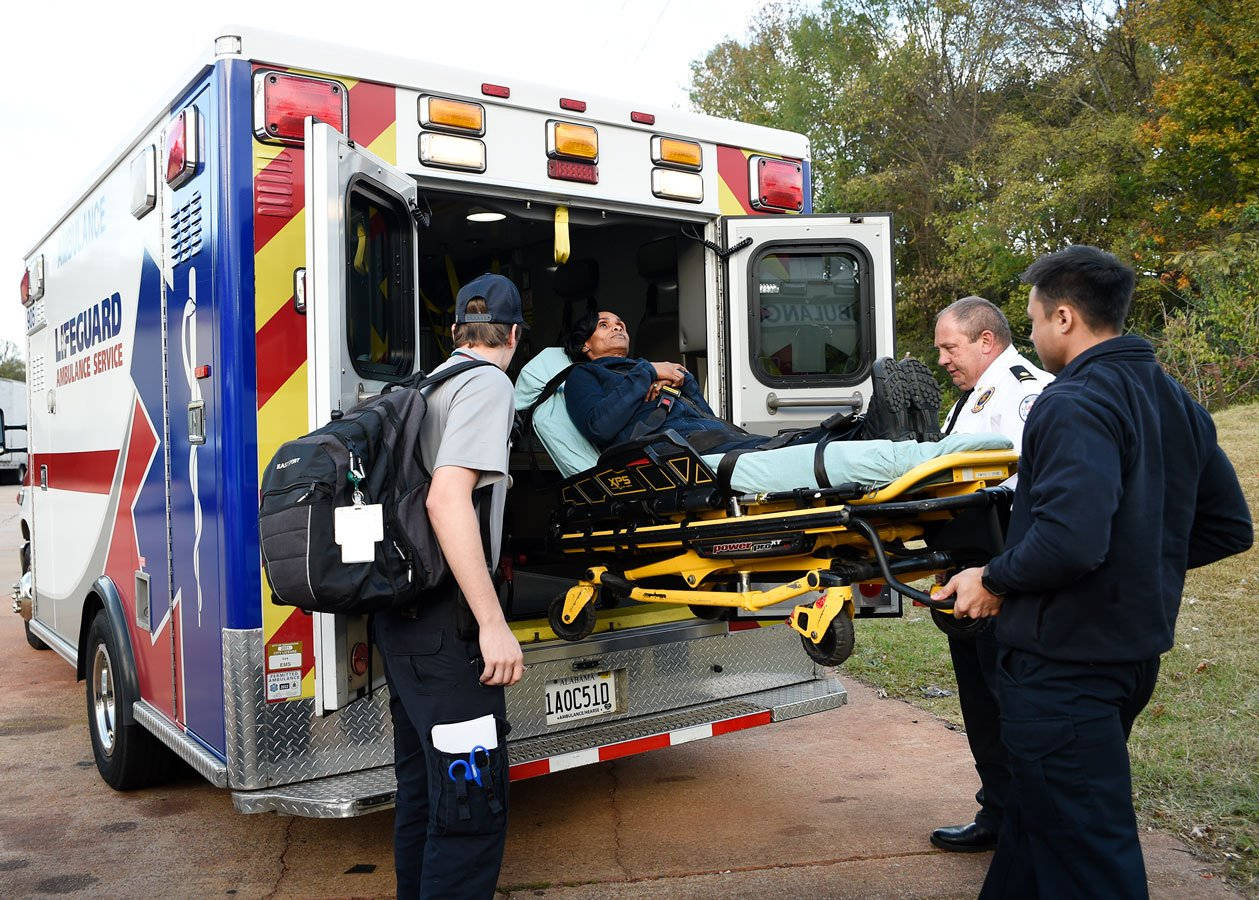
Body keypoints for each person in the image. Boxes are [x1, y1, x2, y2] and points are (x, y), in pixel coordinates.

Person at [936, 246, 1252, 898]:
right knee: (1036, 824)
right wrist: (1135, 559)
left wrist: (991, 579)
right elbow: (1226, 527)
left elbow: (1069, 541)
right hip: (1125, 659)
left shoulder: (1071, 400)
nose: (1028, 336)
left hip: (1063, 671)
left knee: (1089, 851)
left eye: (1029, 322)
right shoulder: (1176, 401)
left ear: (1062, 318)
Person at [373, 273, 527, 899]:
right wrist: (491, 621)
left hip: (402, 617)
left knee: (426, 790)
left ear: (458, 329)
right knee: (470, 803)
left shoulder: (425, 384)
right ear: (513, 335)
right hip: (446, 627)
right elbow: (446, 499)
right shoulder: (489, 384)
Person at [928, 296, 1053, 854]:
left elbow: (1033, 488)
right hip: (968, 572)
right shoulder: (974, 397)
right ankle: (999, 814)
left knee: (1011, 703)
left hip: (1003, 573)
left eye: (950, 348)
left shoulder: (1024, 392)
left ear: (986, 341)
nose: (942, 361)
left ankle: (1030, 825)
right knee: (979, 700)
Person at [562, 310, 941, 454]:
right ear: (584, 345)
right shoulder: (582, 376)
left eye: (622, 323)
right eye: (605, 325)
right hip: (665, 448)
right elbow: (599, 425)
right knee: (778, 450)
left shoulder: (644, 370)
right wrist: (648, 372)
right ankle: (874, 431)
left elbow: (704, 415)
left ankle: (891, 432)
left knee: (783, 441)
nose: (618, 328)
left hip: (702, 434)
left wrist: (684, 382)